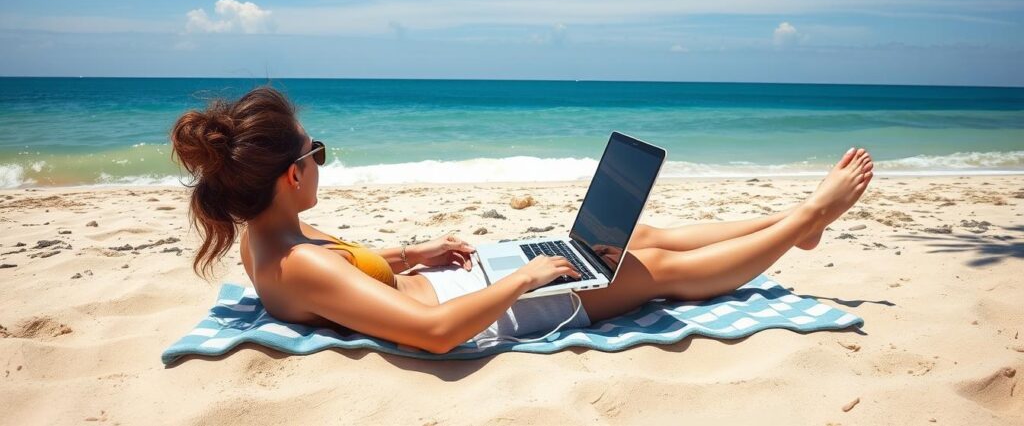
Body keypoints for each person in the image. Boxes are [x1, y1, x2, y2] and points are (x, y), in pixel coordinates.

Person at [170, 86, 874, 354]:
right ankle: (808, 217)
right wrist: (526, 279)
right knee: (654, 271)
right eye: (316, 152)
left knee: (640, 236)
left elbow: (354, 266)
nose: (321, 161)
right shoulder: (297, 264)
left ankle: (792, 219)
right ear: (294, 173)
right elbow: (435, 334)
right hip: (493, 311)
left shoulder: (273, 238)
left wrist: (417, 252)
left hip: (467, 279)